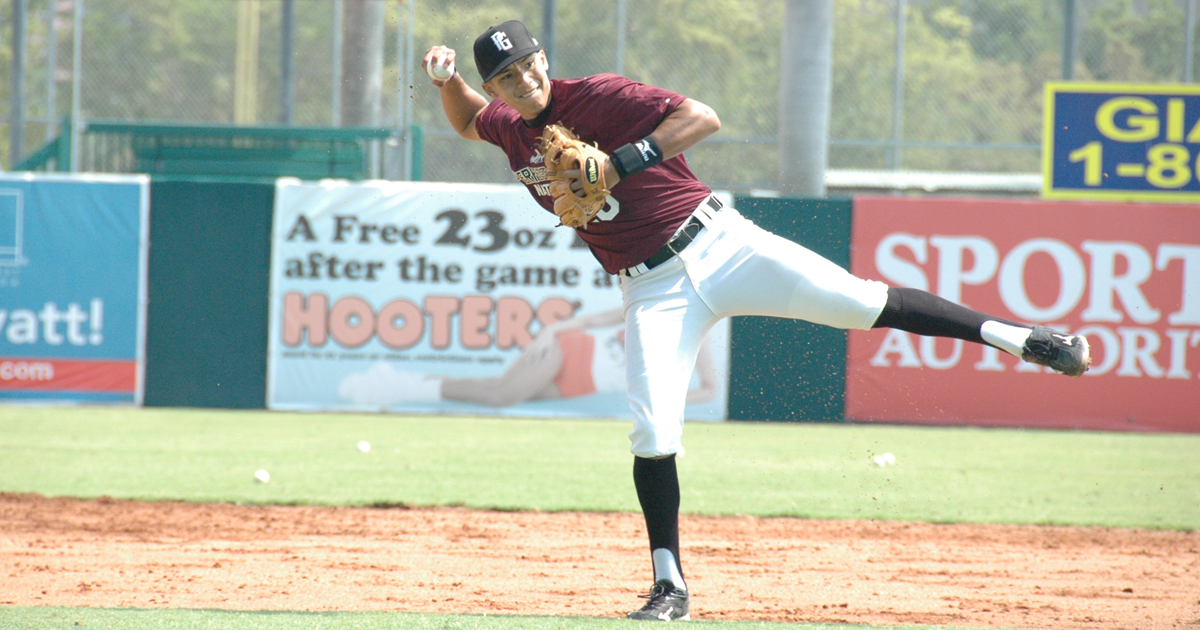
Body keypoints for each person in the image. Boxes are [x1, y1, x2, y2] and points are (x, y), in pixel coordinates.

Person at [422, 20, 1090, 622]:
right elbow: (466, 121)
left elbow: (701, 118)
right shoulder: (510, 129)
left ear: (545, 58)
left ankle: (1028, 338)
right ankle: (669, 587)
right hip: (652, 289)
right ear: (497, 87)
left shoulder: (599, 96)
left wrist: (620, 161)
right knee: (652, 428)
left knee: (861, 302)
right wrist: (449, 80)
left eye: (530, 63)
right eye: (507, 76)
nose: (525, 78)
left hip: (722, 243)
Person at [338, 307, 721, 408]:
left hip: (579, 386)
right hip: (569, 353)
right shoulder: (646, 307)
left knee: (494, 391)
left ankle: (399, 384)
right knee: (503, 395)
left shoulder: (697, 337)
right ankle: (396, 386)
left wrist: (671, 399)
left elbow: (710, 390)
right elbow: (591, 320)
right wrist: (551, 331)